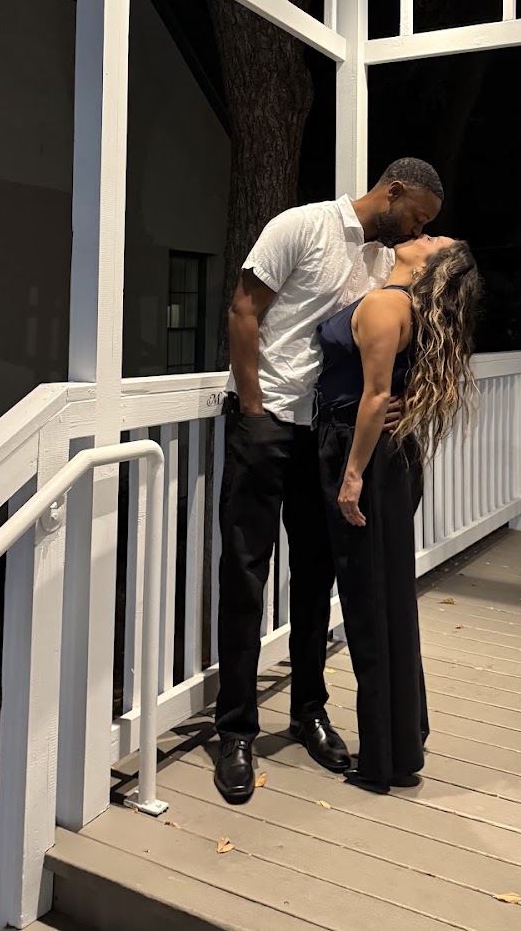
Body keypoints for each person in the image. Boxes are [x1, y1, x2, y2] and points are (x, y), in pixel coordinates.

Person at [214, 159, 444, 804]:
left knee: (317, 578)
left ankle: (307, 711)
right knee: (245, 573)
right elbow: (243, 309)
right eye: (417, 217)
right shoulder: (301, 225)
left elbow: (388, 345)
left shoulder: (383, 261)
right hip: (266, 422)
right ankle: (235, 729)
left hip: (326, 434)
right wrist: (253, 409)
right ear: (392, 191)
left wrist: (402, 397)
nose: (416, 230)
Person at [316, 235, 482, 793]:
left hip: (363, 454)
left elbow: (373, 395)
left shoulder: (387, 304)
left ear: (430, 266)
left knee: (370, 605)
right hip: (387, 456)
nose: (423, 235)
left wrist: (352, 475)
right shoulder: (398, 303)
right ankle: (401, 743)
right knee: (386, 600)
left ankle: (382, 760)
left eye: (435, 239)